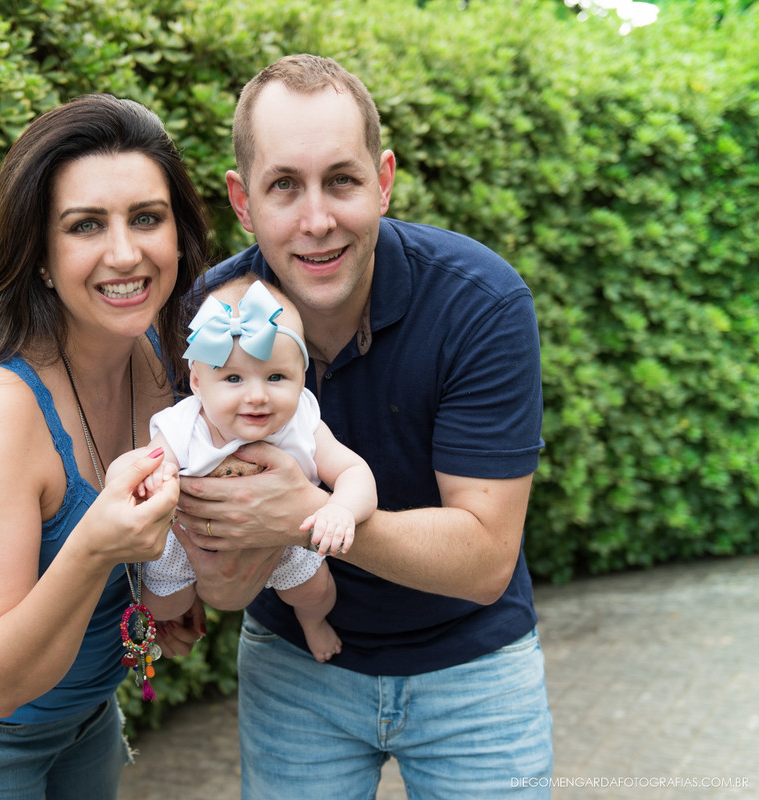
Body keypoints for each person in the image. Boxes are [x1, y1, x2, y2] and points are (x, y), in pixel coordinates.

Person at [169, 55, 553, 798]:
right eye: (285, 185)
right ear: (243, 202)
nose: (317, 220)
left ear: (383, 181)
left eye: (341, 180)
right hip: (296, 671)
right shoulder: (211, 316)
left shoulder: (482, 303)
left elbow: (483, 560)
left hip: (475, 674)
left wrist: (307, 516)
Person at [0, 93, 211, 799]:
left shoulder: (157, 352)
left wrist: (154, 595)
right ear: (42, 255)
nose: (126, 253)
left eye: (147, 218)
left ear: (178, 235)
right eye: (86, 225)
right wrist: (97, 546)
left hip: (85, 715)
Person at [124, 277, 376, 663]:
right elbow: (146, 465)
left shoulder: (302, 423)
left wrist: (341, 509)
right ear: (196, 382)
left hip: (288, 539)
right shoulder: (183, 424)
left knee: (317, 593)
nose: (257, 395)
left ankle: (312, 624)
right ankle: (177, 619)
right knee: (163, 602)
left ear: (301, 378)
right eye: (233, 378)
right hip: (190, 537)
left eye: (276, 377)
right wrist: (157, 478)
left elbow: (355, 472)